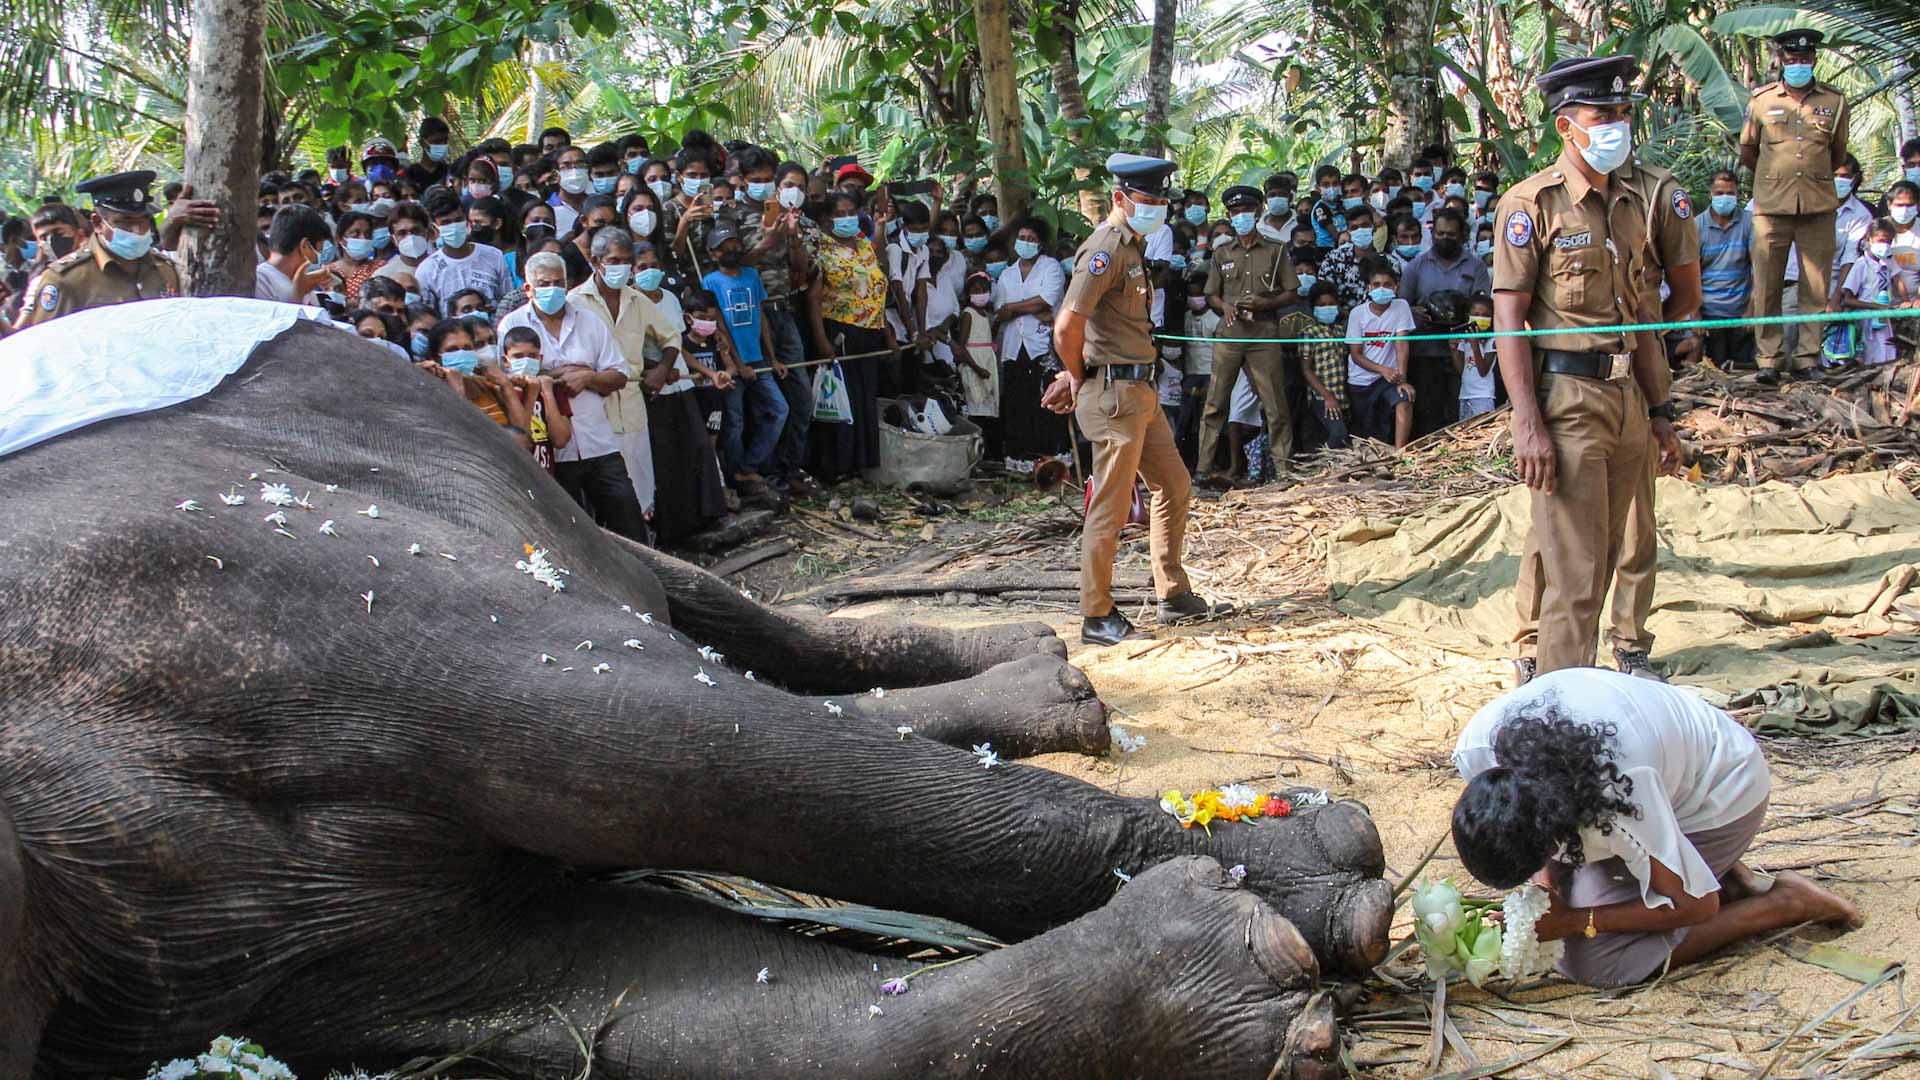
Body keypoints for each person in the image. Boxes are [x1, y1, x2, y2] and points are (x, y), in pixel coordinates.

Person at [1450, 668, 1862, 988]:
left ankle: (1785, 902)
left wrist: (1574, 921)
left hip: (1722, 792)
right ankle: (1713, 871)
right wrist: (1548, 890)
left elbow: (1697, 909)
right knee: (1576, 898)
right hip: (1655, 782)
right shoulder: (1477, 751)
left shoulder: (1617, 797)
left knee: (1596, 960)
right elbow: (1534, 826)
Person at [1492, 54, 1682, 680]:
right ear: (1566, 126)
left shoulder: (1631, 203)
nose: (1617, 125)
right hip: (1567, 400)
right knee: (1573, 581)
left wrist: (1660, 413)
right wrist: (1527, 423)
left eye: (1622, 113)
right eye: (1603, 114)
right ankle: (1553, 720)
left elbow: (1644, 317)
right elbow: (1508, 322)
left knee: (1602, 564)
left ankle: (1584, 699)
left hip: (1627, 396)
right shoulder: (1532, 204)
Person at [1043, 152, 1231, 647]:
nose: (1156, 208)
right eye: (1146, 200)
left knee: (1174, 483)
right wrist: (1078, 376)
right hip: (1115, 395)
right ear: (1120, 199)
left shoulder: (1133, 248)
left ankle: (1172, 593)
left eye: (1160, 201)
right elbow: (1067, 326)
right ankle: (1097, 615)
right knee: (1110, 506)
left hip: (1139, 390)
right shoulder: (1104, 248)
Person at [497, 250, 651, 543]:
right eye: (544, 283)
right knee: (571, 534)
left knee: (628, 521)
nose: (552, 289)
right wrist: (559, 376)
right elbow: (511, 379)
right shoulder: (512, 325)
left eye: (558, 282)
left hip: (598, 441)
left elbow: (619, 374)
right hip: (551, 449)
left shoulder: (589, 321)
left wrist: (589, 376)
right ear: (528, 288)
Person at [1739, 29, 1849, 384]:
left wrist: (1808, 180)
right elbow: (1748, 151)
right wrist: (1776, 178)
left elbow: (1838, 153)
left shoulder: (1834, 101)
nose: (1798, 64)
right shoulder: (1761, 100)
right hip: (1771, 207)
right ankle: (1768, 359)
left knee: (1814, 287)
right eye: (1792, 59)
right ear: (1782, 61)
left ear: (1813, 60)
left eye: (1804, 59)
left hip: (1818, 206)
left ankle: (1807, 358)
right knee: (1767, 284)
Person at [571, 227, 685, 518]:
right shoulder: (574, 302)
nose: (620, 267)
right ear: (597, 262)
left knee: (640, 482)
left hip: (632, 404)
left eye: (625, 261)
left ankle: (646, 540)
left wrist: (661, 369)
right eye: (613, 260)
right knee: (603, 485)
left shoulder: (636, 299)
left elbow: (671, 337)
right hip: (593, 406)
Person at [1195, 185, 1298, 486]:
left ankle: (1283, 469)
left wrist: (1268, 303)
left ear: (1258, 212)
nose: (1242, 216)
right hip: (1229, 333)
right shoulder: (1222, 252)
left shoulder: (1276, 250)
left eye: (1247, 211)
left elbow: (1292, 292)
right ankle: (1203, 468)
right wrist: (1224, 306)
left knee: (1275, 404)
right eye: (1236, 212)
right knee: (1215, 403)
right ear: (1229, 215)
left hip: (1264, 333)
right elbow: (1211, 294)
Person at [806, 188, 895, 482]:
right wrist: (821, 341)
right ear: (828, 219)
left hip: (869, 332)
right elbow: (814, 299)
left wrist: (887, 332)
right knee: (840, 398)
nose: (846, 218)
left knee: (863, 397)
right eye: (839, 214)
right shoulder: (822, 247)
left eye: (850, 213)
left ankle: (861, 462)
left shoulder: (864, 246)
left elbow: (877, 287)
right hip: (839, 331)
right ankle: (836, 466)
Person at [15, 171, 178, 329]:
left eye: (143, 220)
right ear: (98, 223)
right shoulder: (65, 280)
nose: (137, 230)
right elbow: (48, 346)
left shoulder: (164, 269)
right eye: (125, 222)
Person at [703, 225, 787, 502]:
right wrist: (738, 364)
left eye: (735, 244)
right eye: (724, 246)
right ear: (714, 253)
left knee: (779, 409)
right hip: (730, 363)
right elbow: (719, 326)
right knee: (735, 421)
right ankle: (734, 474)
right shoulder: (711, 282)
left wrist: (772, 358)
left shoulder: (752, 275)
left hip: (758, 358)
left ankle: (749, 467)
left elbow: (761, 317)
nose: (732, 250)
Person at [1399, 207, 1491, 436]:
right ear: (1432, 234)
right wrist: (1414, 311)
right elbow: (1400, 307)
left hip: (1463, 350)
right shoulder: (1416, 266)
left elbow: (1484, 306)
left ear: (1461, 235)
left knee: (1457, 409)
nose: (1444, 239)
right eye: (1440, 234)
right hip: (1425, 350)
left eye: (1450, 234)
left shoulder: (1475, 265)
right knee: (1427, 410)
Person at [990, 216, 1069, 466]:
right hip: (1014, 344)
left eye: (1031, 239)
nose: (1026, 243)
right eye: (1022, 238)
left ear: (1041, 244)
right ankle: (1021, 458)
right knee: (1018, 402)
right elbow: (1000, 310)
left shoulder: (1051, 267)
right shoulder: (1007, 275)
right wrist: (1029, 308)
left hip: (1043, 344)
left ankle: (1051, 457)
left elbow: (1045, 301)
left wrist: (1015, 308)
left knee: (1047, 401)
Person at [1344, 259, 1416, 447]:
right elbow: (1356, 354)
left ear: (1396, 287)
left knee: (1404, 399)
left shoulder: (1401, 307)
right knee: (1368, 431)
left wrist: (1403, 380)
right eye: (1376, 285)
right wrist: (1382, 369)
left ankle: (1400, 453)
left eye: (1387, 285)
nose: (1381, 289)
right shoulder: (1357, 313)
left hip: (1390, 378)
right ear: (1368, 287)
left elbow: (1402, 345)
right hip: (1361, 380)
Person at [414, 192, 514, 316]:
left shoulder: (494, 256)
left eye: (458, 220)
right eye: (446, 223)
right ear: (435, 229)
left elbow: (508, 303)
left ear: (466, 221)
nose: (454, 226)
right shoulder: (427, 270)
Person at [1278, 280, 1349, 450]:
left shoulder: (1342, 331)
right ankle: (1321, 466)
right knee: (1339, 434)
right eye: (1322, 305)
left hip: (1344, 395)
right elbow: (1306, 369)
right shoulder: (1309, 333)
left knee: (1342, 436)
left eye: (1331, 304)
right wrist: (1327, 396)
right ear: (1314, 308)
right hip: (1321, 396)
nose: (1327, 308)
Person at [1697, 171, 1756, 370]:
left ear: (1738, 194)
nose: (1725, 198)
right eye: (1719, 192)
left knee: (1742, 372)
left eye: (1730, 193)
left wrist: (1752, 310)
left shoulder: (1749, 222)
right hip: (1710, 314)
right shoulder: (1697, 226)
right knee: (1715, 370)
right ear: (1710, 194)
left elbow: (1758, 269)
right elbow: (1690, 274)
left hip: (1741, 313)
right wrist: (1696, 317)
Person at [499, 325, 575, 475]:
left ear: (540, 359)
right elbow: (521, 434)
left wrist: (547, 392)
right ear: (505, 361)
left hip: (546, 476)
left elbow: (560, 440)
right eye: (518, 356)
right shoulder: (503, 391)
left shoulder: (553, 390)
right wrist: (531, 393)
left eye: (532, 356)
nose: (526, 361)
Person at [1837, 219, 1907, 365]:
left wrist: (1905, 300)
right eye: (1881, 240)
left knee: (1887, 351)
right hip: (1866, 319)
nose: (1885, 245)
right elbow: (1848, 299)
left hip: (1884, 317)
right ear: (1869, 239)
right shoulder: (1861, 264)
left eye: (1889, 241)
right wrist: (1875, 306)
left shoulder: (1888, 261)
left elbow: (1897, 280)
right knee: (1869, 355)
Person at [254, 205, 336, 305]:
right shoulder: (261, 280)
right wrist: (299, 294)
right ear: (305, 246)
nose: (320, 262)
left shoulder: (304, 283)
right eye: (319, 251)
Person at [1455, 292, 1498, 420]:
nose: (1480, 318)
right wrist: (1453, 350)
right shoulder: (1465, 339)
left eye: (1485, 316)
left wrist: (1475, 345)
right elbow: (1460, 370)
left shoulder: (1492, 341)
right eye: (1476, 315)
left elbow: (1483, 370)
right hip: (1465, 394)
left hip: (1483, 396)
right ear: (1468, 316)